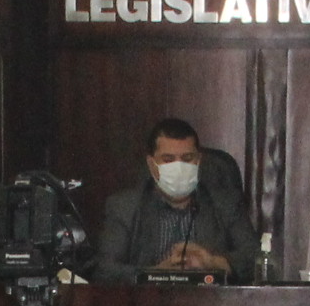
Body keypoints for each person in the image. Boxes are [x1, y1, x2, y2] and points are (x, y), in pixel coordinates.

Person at [86, 119, 250, 283]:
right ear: (151, 164)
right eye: (168, 159)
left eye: (187, 158)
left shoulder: (225, 204)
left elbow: (256, 259)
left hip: (211, 298)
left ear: (199, 161)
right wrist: (158, 273)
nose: (179, 167)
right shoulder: (124, 207)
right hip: (148, 298)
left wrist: (212, 263)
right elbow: (105, 271)